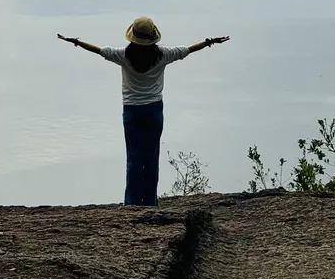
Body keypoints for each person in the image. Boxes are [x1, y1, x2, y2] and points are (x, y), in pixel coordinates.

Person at [57, 16, 229, 207]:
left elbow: (99, 50)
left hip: (132, 113)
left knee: (134, 158)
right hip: (154, 112)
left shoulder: (123, 55)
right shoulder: (163, 55)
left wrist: (76, 42)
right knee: (152, 156)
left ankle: (131, 204)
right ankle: (150, 203)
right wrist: (209, 42)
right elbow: (187, 50)